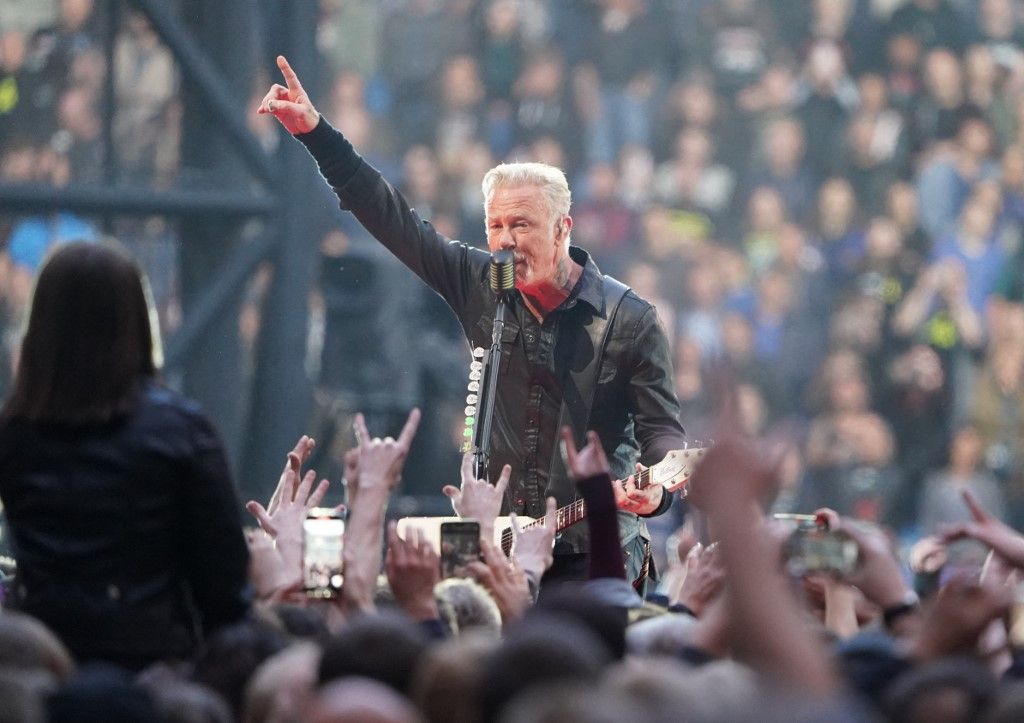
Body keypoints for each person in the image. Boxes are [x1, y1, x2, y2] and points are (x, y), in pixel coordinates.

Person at [258, 56, 687, 587]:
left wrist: (657, 487)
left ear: (562, 229)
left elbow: (663, 432)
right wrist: (317, 135)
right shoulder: (487, 284)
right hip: (492, 540)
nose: (504, 241)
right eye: (495, 226)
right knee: (455, 655)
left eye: (521, 225)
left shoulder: (630, 320)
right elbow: (393, 219)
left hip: (590, 551)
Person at [0, 241, 250, 670]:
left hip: (39, 670)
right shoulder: (182, 431)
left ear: (40, 327)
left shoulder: (16, 434)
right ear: (137, 321)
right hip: (155, 671)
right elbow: (225, 585)